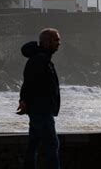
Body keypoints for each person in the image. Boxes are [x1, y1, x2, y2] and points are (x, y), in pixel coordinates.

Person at [17, 28, 61, 169]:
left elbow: (29, 83)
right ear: (46, 42)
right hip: (41, 109)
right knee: (52, 144)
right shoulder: (40, 60)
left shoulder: (41, 58)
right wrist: (23, 100)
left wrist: (24, 100)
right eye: (56, 40)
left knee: (34, 143)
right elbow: (29, 82)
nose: (59, 43)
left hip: (39, 108)